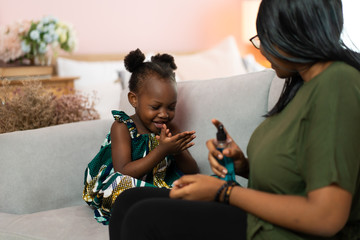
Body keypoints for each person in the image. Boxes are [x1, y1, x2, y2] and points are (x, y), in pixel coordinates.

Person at [108, 0, 360, 239]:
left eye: (265, 37)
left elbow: (327, 217)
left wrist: (224, 192)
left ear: (292, 31)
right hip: (264, 217)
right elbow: (299, 173)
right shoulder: (302, 86)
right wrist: (243, 165)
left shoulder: (338, 83)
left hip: (281, 232)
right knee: (128, 201)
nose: (262, 48)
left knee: (144, 218)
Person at [82, 48, 199, 225]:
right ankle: (164, 206)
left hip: (159, 187)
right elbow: (124, 171)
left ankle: (164, 206)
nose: (164, 114)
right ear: (134, 100)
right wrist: (161, 151)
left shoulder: (170, 128)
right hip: (125, 185)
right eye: (155, 107)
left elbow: (192, 170)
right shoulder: (122, 127)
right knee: (121, 187)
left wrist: (177, 150)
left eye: (171, 107)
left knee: (200, 184)